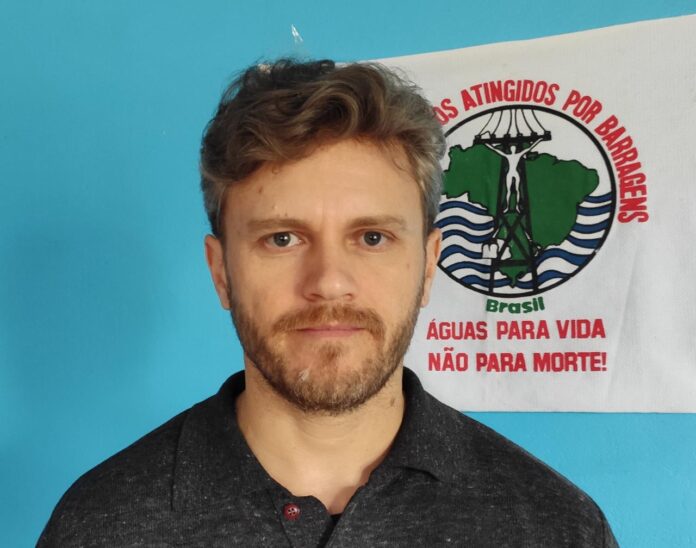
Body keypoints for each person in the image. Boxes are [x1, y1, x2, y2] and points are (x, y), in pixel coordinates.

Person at [38, 59, 618, 547]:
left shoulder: (555, 527)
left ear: (427, 266)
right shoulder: (98, 526)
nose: (329, 282)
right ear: (221, 273)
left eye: (372, 238)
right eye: (282, 239)